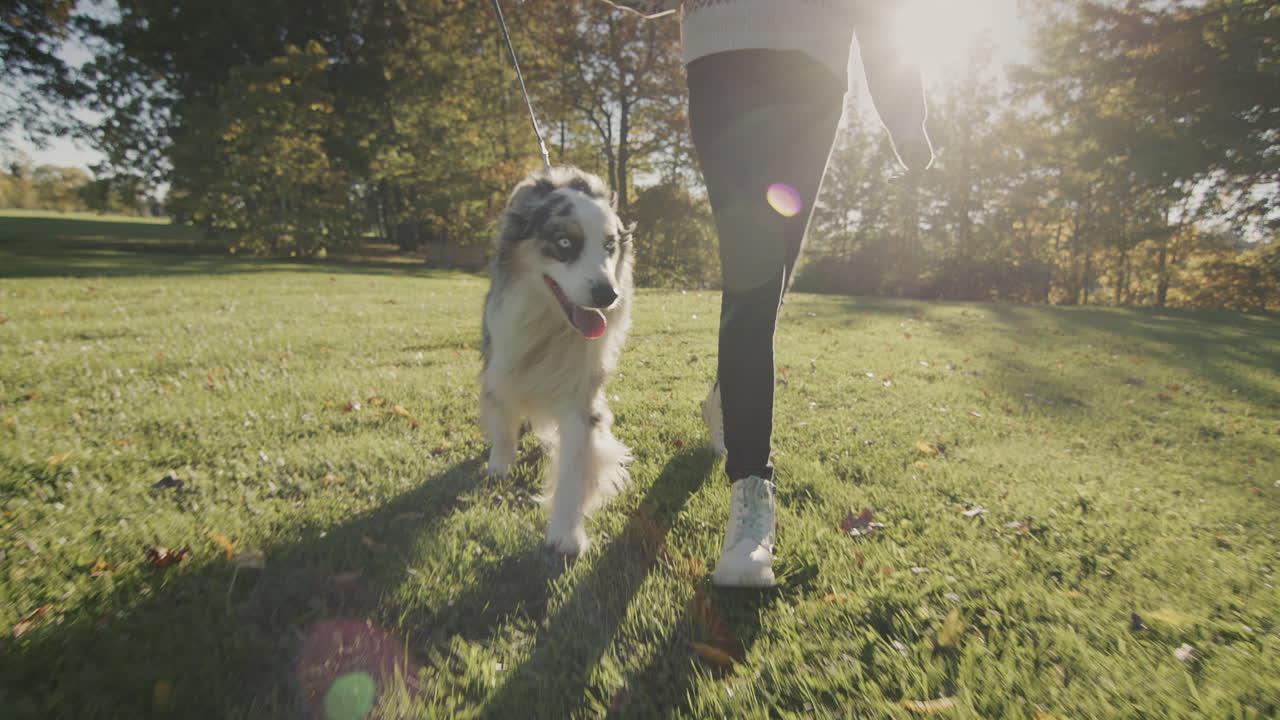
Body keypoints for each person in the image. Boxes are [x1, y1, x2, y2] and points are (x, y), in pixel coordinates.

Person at [604, 0, 933, 587]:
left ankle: (727, 394)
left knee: (770, 272)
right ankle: (751, 491)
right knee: (751, 276)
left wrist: (905, 114)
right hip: (721, 58)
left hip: (814, 69)